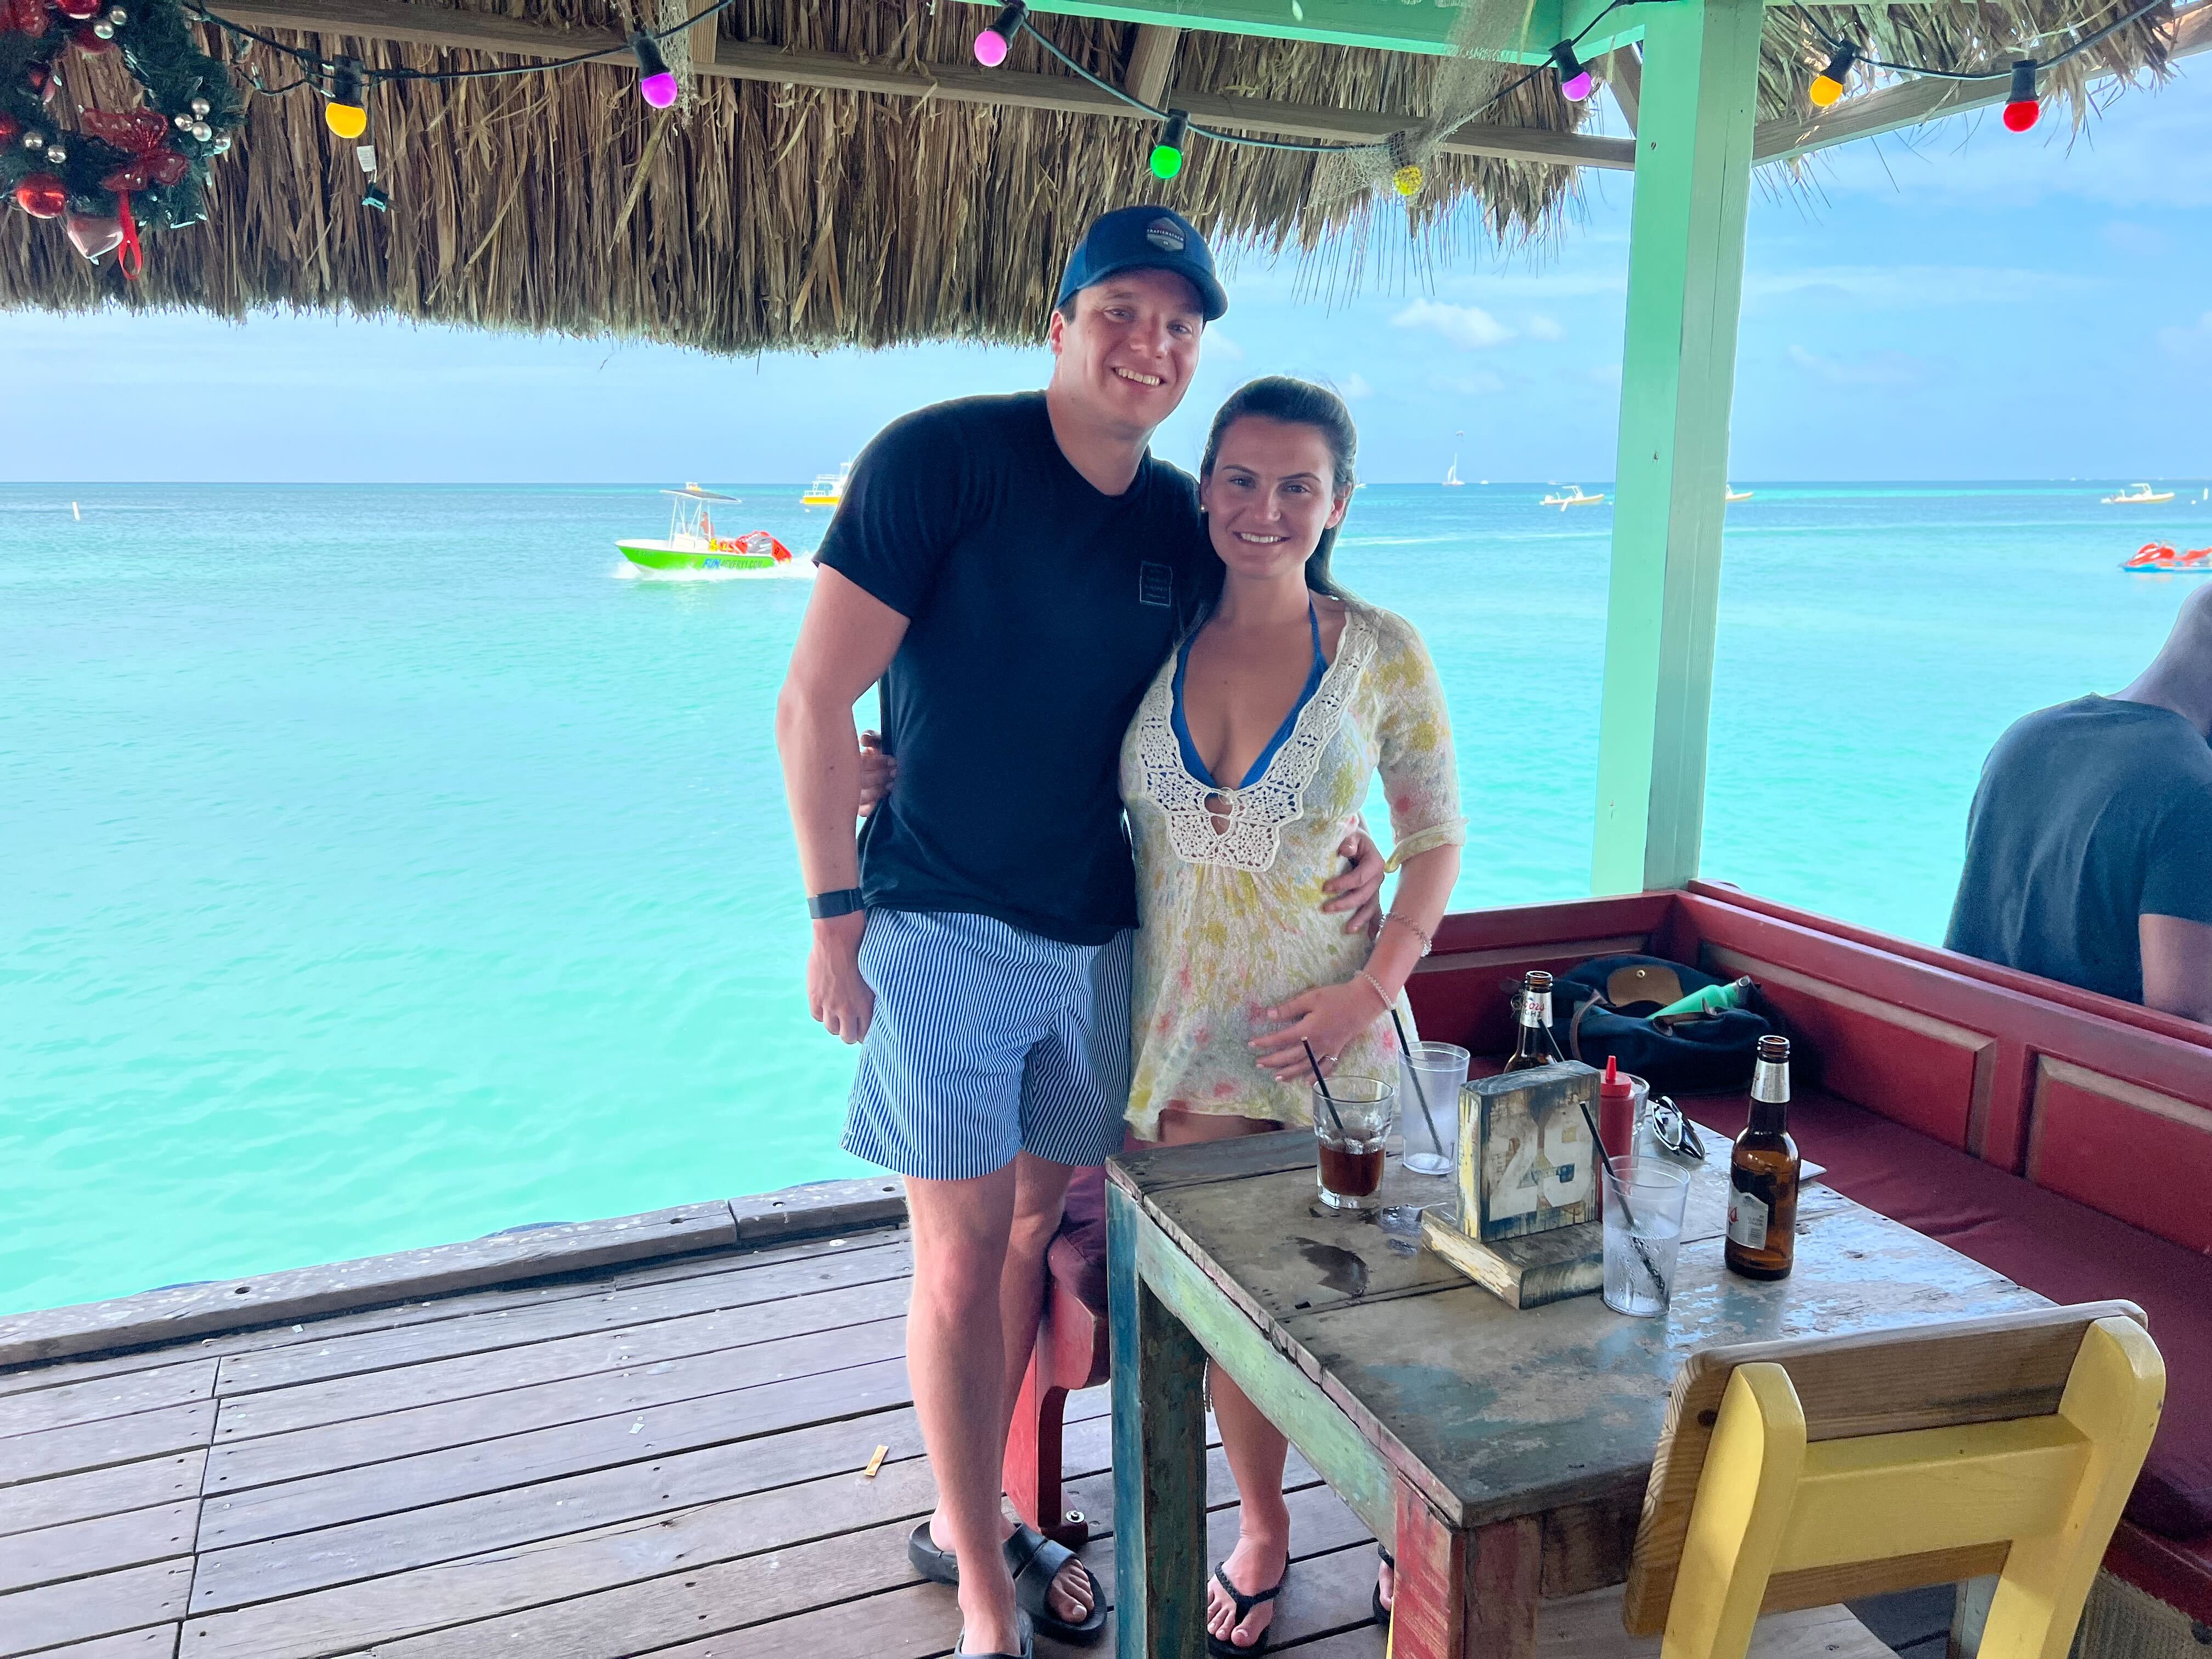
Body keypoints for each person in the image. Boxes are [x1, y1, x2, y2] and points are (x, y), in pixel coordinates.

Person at [774, 207, 1386, 1659]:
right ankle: (984, 1591)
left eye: (1179, 325)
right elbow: (811, 701)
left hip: (1107, 938)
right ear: (1058, 322)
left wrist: (1346, 836)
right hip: (940, 923)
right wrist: (831, 917)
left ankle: (963, 1511)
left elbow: (1293, 665)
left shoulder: (1182, 520)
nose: (1149, 345)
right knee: (959, 1251)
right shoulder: (941, 460)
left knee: (1031, 1237)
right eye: (1119, 309)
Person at [1120, 376, 1465, 1654]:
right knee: (1232, 1331)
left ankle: (1400, 1530)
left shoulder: (1379, 648)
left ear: (1339, 502)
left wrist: (1372, 986)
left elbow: (1435, 838)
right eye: (1242, 481)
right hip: (1185, 1051)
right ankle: (1261, 1529)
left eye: (1297, 486)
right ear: (1204, 487)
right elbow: (1020, 733)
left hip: (1338, 1046)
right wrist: (887, 770)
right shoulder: (1142, 639)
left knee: (1367, 1311)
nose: (1265, 511)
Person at [1945, 581, 2212, 1023]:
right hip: (2082, 1081)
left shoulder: (2027, 736)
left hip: (1970, 1046)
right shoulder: (2195, 790)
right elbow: (2186, 1023)